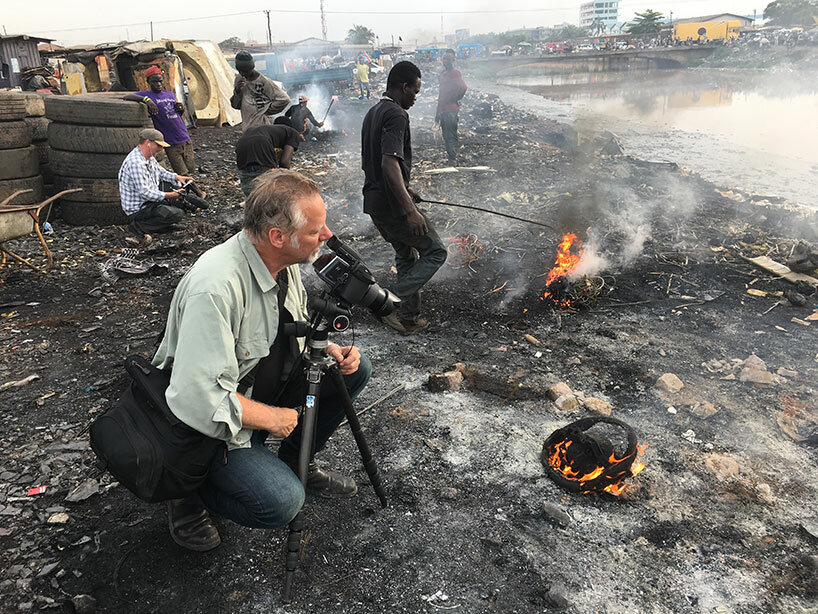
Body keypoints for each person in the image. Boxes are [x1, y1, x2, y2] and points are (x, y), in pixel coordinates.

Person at [152, 169, 368, 551]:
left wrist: (327, 347)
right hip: (205, 427)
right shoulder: (216, 288)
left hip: (259, 385)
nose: (327, 236)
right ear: (278, 236)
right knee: (281, 502)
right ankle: (186, 492)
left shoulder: (279, 262)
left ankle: (297, 460)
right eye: (315, 230)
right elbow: (197, 398)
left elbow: (290, 326)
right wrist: (272, 418)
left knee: (352, 371)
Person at [361, 61, 447, 335]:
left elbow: (374, 165)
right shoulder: (397, 114)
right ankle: (388, 303)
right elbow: (388, 164)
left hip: (374, 202)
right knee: (436, 251)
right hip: (391, 208)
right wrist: (409, 210)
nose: (416, 97)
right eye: (415, 91)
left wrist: (406, 189)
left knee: (405, 254)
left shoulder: (373, 112)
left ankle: (410, 316)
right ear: (404, 86)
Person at [124, 65, 206, 198]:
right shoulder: (146, 95)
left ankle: (188, 192)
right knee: (181, 171)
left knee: (190, 168)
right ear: (148, 82)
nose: (158, 84)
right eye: (154, 81)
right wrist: (146, 100)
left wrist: (181, 109)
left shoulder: (169, 94)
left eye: (160, 81)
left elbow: (174, 112)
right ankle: (199, 193)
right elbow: (127, 96)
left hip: (183, 136)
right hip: (170, 141)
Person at [118, 128, 194, 235]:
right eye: (158, 145)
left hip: (148, 203)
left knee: (177, 198)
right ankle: (139, 227)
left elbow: (161, 172)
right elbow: (145, 193)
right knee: (177, 213)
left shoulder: (148, 156)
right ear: (148, 143)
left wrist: (177, 177)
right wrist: (171, 195)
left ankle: (162, 226)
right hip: (138, 209)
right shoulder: (136, 164)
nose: (161, 149)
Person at [235, 122, 301, 197]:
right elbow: (284, 162)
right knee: (268, 194)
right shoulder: (293, 133)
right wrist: (283, 179)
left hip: (241, 145)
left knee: (250, 195)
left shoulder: (268, 130)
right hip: (261, 144)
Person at [231, 51, 290, 132]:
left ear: (251, 68)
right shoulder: (239, 79)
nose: (243, 74)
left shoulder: (264, 82)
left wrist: (264, 111)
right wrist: (237, 91)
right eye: (240, 71)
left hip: (262, 127)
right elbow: (236, 105)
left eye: (245, 71)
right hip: (247, 128)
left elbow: (284, 99)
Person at [435, 50, 467, 165]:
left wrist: (455, 98)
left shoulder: (455, 73)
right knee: (445, 134)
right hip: (443, 109)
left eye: (448, 59)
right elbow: (441, 95)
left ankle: (453, 159)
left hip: (451, 109)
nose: (446, 61)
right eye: (444, 59)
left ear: (453, 60)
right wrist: (437, 114)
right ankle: (451, 156)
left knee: (451, 134)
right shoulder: (443, 74)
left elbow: (463, 87)